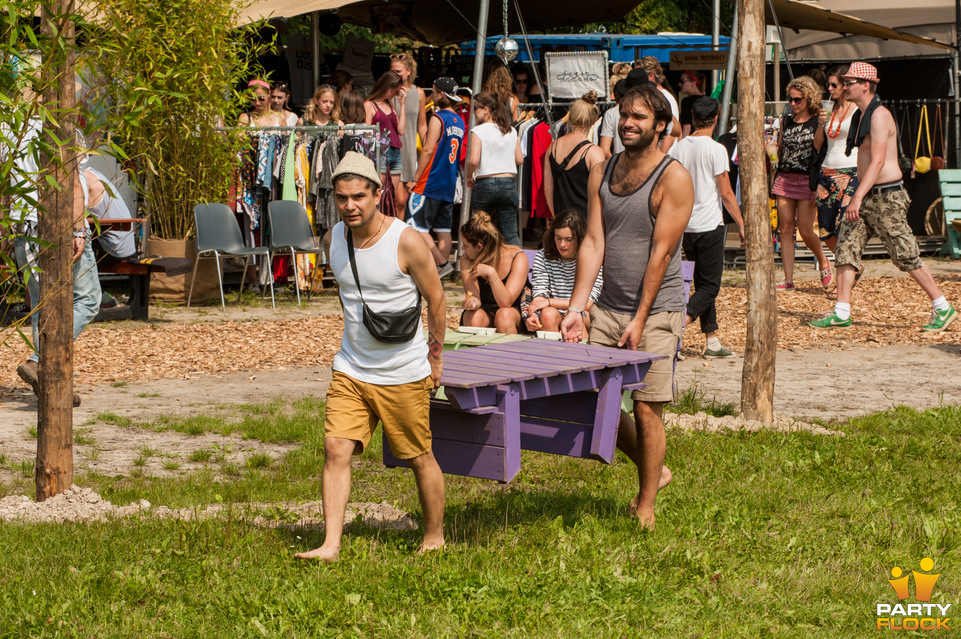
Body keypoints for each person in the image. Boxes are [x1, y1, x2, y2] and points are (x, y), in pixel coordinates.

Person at [294, 152, 446, 561]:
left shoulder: (407, 240)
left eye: (359, 196)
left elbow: (436, 298)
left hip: (402, 371)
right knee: (335, 448)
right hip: (352, 368)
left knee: (418, 457)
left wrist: (435, 358)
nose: (350, 206)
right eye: (342, 198)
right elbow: (349, 300)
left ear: (378, 193)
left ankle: (434, 536)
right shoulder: (333, 240)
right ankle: (330, 545)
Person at [561, 84, 694, 528]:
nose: (628, 122)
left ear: (660, 125)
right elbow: (594, 242)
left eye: (639, 116)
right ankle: (659, 474)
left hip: (656, 310)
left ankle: (646, 504)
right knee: (591, 396)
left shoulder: (673, 177)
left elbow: (660, 254)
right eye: (623, 114)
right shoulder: (602, 170)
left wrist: (639, 319)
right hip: (608, 304)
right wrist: (578, 308)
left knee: (645, 406)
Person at [809, 62, 956, 331]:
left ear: (866, 85)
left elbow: (877, 162)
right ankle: (842, 312)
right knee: (845, 248)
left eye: (850, 81)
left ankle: (942, 306)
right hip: (865, 193)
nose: (845, 86)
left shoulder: (879, 115)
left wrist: (855, 197)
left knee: (904, 253)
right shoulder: (860, 115)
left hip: (886, 196)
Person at [9, 119, 100, 408]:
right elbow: (72, 181)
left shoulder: (12, 130)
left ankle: (50, 389)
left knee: (41, 310)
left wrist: (6, 231)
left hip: (24, 231)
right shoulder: (63, 129)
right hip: (57, 230)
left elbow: (6, 188)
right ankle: (40, 361)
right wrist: (79, 229)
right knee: (88, 299)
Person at [668, 97, 745, 357]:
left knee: (700, 283)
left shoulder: (678, 148)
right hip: (709, 224)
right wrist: (742, 224)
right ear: (716, 118)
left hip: (684, 225)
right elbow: (726, 193)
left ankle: (712, 340)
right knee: (710, 285)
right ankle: (677, 327)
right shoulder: (716, 149)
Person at [773, 75, 832, 292]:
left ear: (808, 99)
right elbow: (780, 146)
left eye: (797, 100)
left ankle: (823, 261)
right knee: (785, 228)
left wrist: (822, 126)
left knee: (806, 230)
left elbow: (818, 147)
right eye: (790, 99)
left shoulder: (818, 119)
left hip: (807, 178)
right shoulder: (785, 120)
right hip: (785, 176)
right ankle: (788, 280)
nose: (793, 104)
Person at [406, 77, 465, 279]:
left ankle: (441, 264)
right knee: (443, 230)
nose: (430, 95)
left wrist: (415, 177)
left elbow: (429, 149)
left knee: (415, 225)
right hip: (449, 182)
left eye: (433, 92)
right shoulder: (460, 120)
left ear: (441, 94)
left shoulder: (438, 118)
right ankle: (441, 268)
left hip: (430, 181)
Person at [816, 64, 859, 299]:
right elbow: (818, 145)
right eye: (828, 85)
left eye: (834, 85)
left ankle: (843, 284)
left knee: (844, 229)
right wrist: (821, 122)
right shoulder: (828, 109)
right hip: (827, 172)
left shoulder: (856, 111)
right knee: (825, 230)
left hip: (851, 171)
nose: (830, 89)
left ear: (845, 86)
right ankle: (855, 266)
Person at [525, 210, 602, 333]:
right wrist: (533, 314)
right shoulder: (543, 256)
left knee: (574, 315)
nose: (562, 244)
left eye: (569, 239)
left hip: (584, 312)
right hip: (553, 312)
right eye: (558, 238)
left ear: (579, 238)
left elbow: (588, 303)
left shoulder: (590, 258)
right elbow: (539, 295)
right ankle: (550, 351)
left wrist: (550, 302)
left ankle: (579, 352)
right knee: (547, 314)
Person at [466, 92, 523, 248]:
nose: (473, 112)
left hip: (485, 182)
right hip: (508, 181)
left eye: (475, 108)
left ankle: (478, 266)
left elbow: (474, 159)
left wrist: (469, 175)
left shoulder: (478, 130)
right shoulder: (510, 130)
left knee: (478, 230)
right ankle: (520, 267)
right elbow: (519, 159)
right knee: (510, 232)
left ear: (485, 109)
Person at [460, 211, 529, 334]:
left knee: (504, 316)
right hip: (485, 311)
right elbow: (475, 297)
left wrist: (492, 273)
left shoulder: (517, 257)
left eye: (465, 245)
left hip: (512, 312)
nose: (462, 249)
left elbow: (506, 302)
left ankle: (510, 352)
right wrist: (471, 304)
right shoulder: (466, 259)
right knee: (472, 317)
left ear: (479, 247)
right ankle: (475, 353)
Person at [543, 91, 605, 218]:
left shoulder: (552, 147)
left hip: (561, 224)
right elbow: (599, 194)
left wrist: (557, 218)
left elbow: (548, 190)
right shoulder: (594, 152)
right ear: (594, 121)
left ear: (570, 118)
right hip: (585, 224)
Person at [389, 53, 428, 214]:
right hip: (391, 148)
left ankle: (400, 234)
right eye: (392, 71)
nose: (395, 74)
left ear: (408, 71)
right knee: (395, 199)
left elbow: (422, 124)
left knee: (402, 201)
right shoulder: (388, 92)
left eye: (398, 71)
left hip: (410, 149)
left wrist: (428, 148)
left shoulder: (418, 93)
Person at [364, 70, 407, 207]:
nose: (396, 93)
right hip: (380, 150)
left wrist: (403, 105)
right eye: (395, 89)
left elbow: (400, 129)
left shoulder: (390, 105)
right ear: (388, 87)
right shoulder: (369, 104)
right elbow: (366, 130)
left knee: (392, 193)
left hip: (395, 150)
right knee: (379, 190)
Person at [636, 56, 681, 153]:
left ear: (651, 76)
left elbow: (671, 133)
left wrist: (659, 158)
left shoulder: (665, 97)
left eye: (640, 75)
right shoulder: (655, 96)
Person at [678, 70, 705, 137]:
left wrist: (683, 144)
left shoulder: (686, 102)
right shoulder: (708, 100)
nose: (679, 84)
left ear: (693, 83)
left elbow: (687, 127)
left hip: (692, 139)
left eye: (682, 81)